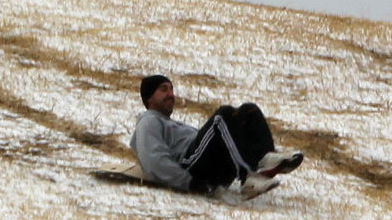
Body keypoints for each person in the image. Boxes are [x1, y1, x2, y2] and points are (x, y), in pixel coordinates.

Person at [130, 75, 303, 202]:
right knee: (223, 116)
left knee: (249, 111)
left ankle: (265, 161)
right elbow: (153, 160)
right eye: (163, 89)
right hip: (191, 170)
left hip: (213, 171)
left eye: (171, 89)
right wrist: (190, 183)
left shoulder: (172, 124)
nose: (171, 94)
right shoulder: (149, 120)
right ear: (149, 98)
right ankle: (248, 176)